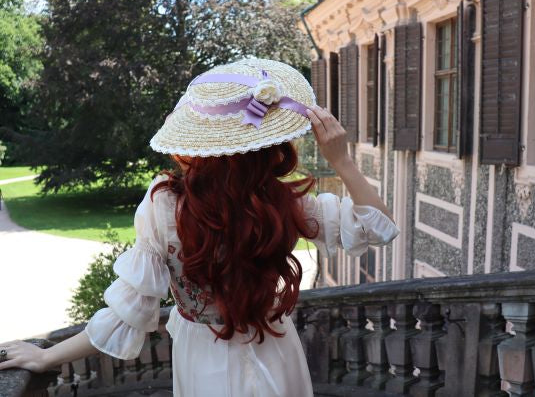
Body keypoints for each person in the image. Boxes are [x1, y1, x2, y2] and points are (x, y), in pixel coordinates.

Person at [0, 58, 399, 396]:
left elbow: (130, 311)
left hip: (204, 356)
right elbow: (378, 227)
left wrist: (47, 356)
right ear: (268, 147)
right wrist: (342, 160)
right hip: (276, 350)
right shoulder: (282, 203)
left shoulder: (165, 202)